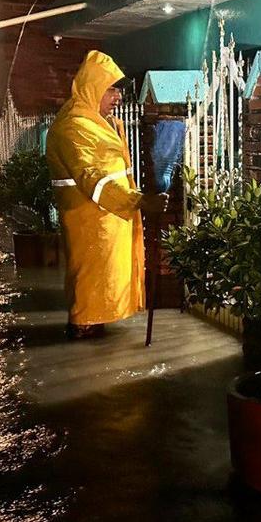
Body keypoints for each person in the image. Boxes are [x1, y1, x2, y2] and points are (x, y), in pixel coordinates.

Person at [46, 50, 169, 339]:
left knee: (103, 281)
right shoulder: (73, 127)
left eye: (118, 90)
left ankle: (93, 325)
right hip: (90, 223)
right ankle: (83, 329)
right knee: (90, 283)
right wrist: (139, 201)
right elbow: (93, 178)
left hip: (111, 217)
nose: (117, 97)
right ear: (92, 87)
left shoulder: (101, 123)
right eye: (111, 89)